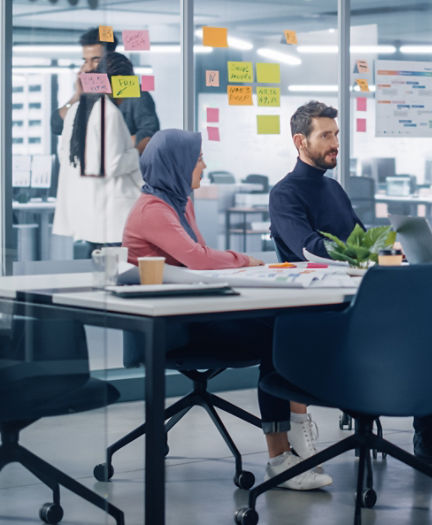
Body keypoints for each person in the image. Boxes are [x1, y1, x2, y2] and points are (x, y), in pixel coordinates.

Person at [269, 101, 432, 464]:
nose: (335, 142)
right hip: (337, 310)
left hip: (372, 295)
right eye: (326, 136)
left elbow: (365, 240)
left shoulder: (333, 190)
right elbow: (311, 249)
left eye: (336, 134)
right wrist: (367, 252)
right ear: (300, 141)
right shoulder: (285, 193)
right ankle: (430, 430)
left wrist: (398, 251)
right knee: (425, 324)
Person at [121, 129, 331, 490]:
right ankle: (282, 456)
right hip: (170, 329)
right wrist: (244, 260)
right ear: (178, 165)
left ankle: (293, 439)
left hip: (194, 313)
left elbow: (197, 265)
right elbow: (199, 260)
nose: (204, 164)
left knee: (285, 326)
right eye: (198, 158)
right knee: (279, 334)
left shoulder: (177, 201)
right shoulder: (153, 209)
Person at [52, 56, 144, 250]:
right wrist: (138, 150)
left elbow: (67, 158)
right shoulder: (108, 112)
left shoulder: (78, 109)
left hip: (90, 211)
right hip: (113, 214)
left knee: (101, 268)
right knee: (119, 271)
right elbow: (113, 164)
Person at [52, 28, 160, 154]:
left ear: (111, 56)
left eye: (96, 60)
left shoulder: (131, 90)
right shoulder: (89, 94)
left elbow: (150, 137)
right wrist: (77, 96)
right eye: (85, 61)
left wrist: (103, 144)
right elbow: (57, 126)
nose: (87, 68)